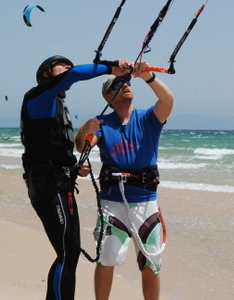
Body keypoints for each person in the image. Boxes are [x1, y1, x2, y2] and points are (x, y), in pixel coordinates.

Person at [20, 55, 131, 300]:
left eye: (70, 64)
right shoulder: (39, 97)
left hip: (59, 186)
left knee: (69, 253)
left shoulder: (58, 106)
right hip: (48, 188)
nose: (69, 66)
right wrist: (111, 67)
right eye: (62, 64)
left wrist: (73, 169)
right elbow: (74, 75)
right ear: (46, 74)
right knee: (66, 253)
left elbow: (50, 150)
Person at [75, 62, 174, 300]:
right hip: (112, 202)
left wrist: (148, 77)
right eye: (120, 84)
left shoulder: (149, 118)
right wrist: (83, 130)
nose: (127, 85)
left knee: (151, 261)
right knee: (108, 257)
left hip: (146, 201)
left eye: (128, 83)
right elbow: (81, 146)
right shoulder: (101, 123)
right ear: (109, 95)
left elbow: (168, 101)